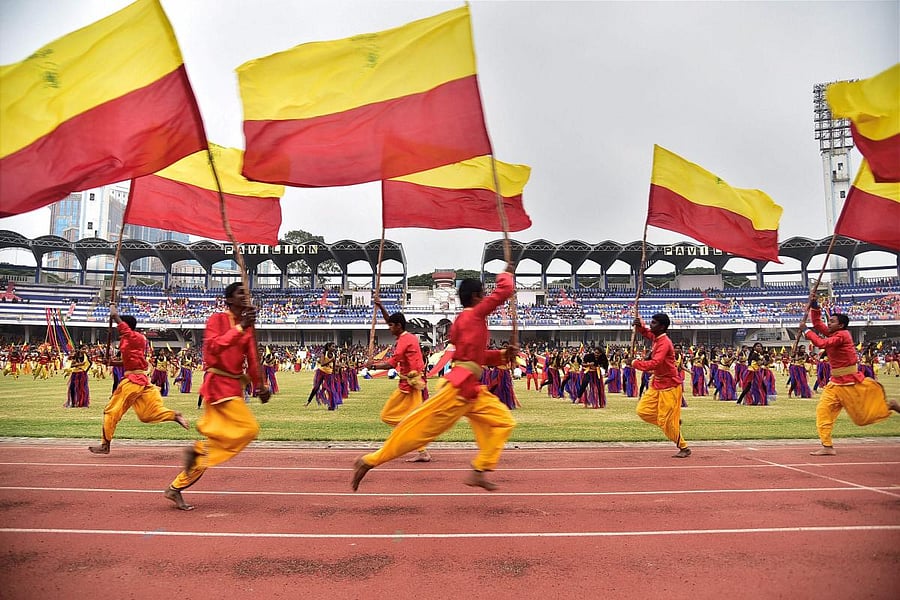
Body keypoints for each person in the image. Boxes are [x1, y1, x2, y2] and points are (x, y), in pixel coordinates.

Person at [352, 263, 518, 492]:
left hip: (471, 390)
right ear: (478, 296)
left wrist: (502, 355)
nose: (486, 299)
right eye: (484, 295)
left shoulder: (466, 322)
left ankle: (480, 469)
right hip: (459, 390)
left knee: (504, 421)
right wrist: (506, 273)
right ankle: (370, 460)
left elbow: (476, 357)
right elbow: (505, 291)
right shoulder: (475, 315)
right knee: (420, 429)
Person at [164, 283, 271, 510]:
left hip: (233, 387)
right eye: (239, 293)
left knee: (213, 443)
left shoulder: (248, 327)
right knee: (249, 429)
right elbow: (214, 347)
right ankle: (198, 454)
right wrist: (241, 327)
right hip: (218, 386)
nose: (245, 296)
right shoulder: (217, 320)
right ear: (229, 300)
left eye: (246, 292)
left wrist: (261, 386)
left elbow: (252, 360)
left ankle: (176, 487)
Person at [803, 299, 900, 456]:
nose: (828, 324)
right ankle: (827, 446)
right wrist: (814, 307)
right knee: (823, 411)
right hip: (835, 383)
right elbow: (817, 322)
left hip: (850, 382)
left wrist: (807, 332)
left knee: (861, 419)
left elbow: (821, 344)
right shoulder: (834, 332)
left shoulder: (842, 335)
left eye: (832, 321)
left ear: (840, 325)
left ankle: (890, 406)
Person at [88, 305, 189, 454]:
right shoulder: (130, 340)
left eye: (120, 326)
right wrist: (110, 363)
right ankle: (174, 415)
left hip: (133, 381)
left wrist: (113, 312)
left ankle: (105, 445)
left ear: (126, 326)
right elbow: (128, 362)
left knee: (111, 411)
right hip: (141, 379)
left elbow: (119, 321)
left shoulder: (133, 337)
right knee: (146, 415)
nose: (117, 329)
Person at [368, 296, 432, 462]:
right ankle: (421, 449)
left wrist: (373, 366)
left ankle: (407, 436)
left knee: (387, 415)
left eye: (391, 326)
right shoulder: (409, 337)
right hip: (413, 383)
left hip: (409, 386)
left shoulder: (404, 341)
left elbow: (391, 364)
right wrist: (381, 306)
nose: (389, 328)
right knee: (412, 417)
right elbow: (391, 319)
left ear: (398, 326)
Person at [632, 313, 691, 458]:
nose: (651, 325)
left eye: (654, 323)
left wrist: (634, 363)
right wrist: (640, 326)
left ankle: (684, 447)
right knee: (643, 411)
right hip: (657, 383)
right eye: (651, 322)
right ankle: (672, 422)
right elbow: (647, 332)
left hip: (669, 386)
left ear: (662, 327)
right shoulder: (657, 338)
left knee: (665, 421)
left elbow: (655, 363)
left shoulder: (664, 343)